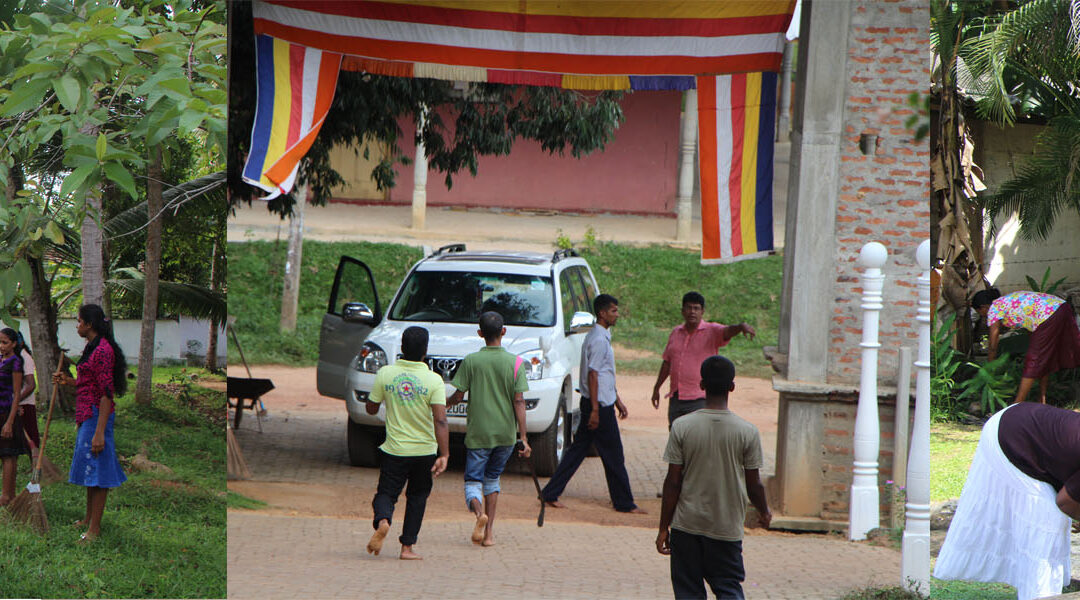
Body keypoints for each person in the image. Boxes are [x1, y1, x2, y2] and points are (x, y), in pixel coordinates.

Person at [933, 402, 1079, 600]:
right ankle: (1040, 595)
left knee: (1048, 525)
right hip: (1013, 436)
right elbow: (1065, 502)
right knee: (1048, 522)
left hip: (1022, 422)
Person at [656, 355, 771, 600]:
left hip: (686, 526)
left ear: (701, 385)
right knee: (728, 588)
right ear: (732, 387)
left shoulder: (682, 426)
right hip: (725, 527)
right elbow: (754, 484)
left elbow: (673, 481)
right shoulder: (747, 432)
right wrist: (764, 511)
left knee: (688, 592)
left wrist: (663, 527)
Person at [541, 294, 644, 514]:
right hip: (598, 407)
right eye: (613, 311)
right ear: (602, 313)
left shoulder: (599, 336)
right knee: (614, 455)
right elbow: (594, 375)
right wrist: (597, 410)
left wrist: (618, 400)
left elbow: (605, 375)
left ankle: (550, 492)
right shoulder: (598, 339)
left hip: (600, 402)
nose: (617, 314)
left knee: (577, 452)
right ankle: (624, 503)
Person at [447, 311, 531, 547]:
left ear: (480, 333)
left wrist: (442, 405)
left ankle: (478, 514)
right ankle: (490, 534)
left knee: (473, 481)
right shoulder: (515, 363)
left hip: (478, 433)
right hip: (505, 434)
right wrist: (523, 437)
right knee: (492, 480)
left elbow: (458, 395)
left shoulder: (471, 361)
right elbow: (519, 401)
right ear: (503, 331)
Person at [365, 326, 449, 560]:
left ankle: (383, 520)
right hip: (424, 452)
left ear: (402, 348)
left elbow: (371, 409)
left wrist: (381, 401)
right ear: (425, 350)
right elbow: (441, 420)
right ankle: (407, 548)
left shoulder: (386, 374)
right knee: (418, 497)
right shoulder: (434, 380)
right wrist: (445, 454)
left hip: (394, 450)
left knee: (386, 493)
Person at [52, 304, 129, 543]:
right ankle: (87, 519)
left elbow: (106, 394)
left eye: (78, 321)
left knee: (99, 472)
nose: (77, 325)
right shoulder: (91, 347)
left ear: (89, 324)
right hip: (87, 414)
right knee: (90, 469)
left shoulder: (103, 351)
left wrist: (99, 433)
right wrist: (68, 381)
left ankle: (94, 529)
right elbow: (88, 384)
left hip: (97, 416)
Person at [651, 291, 756, 427]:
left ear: (702, 312)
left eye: (696, 308)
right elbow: (667, 363)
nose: (692, 312)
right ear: (682, 311)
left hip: (699, 399)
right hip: (676, 398)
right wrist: (657, 388)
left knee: (697, 440)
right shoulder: (676, 333)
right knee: (676, 438)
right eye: (689, 308)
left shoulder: (712, 331)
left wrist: (740, 327)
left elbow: (727, 331)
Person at [972, 288, 1080, 403]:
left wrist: (989, 368)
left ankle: (1016, 405)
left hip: (1049, 314)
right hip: (1062, 308)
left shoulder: (994, 309)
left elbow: (993, 345)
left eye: (980, 313)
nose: (983, 316)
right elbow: (1030, 324)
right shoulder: (1006, 301)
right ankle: (1042, 399)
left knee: (1033, 361)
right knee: (1046, 358)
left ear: (983, 307)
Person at [0, 327, 28, 507]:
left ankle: (7, 495)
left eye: (5, 343)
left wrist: (10, 422)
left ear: (14, 344)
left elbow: (17, 393)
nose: (1, 346)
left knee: (9, 455)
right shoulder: (1, 360)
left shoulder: (16, 362)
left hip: (6, 412)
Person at [15, 330, 39, 462]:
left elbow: (31, 385)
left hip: (25, 403)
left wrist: (16, 400)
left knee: (30, 435)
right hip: (13, 403)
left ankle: (35, 465)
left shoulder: (25, 358)